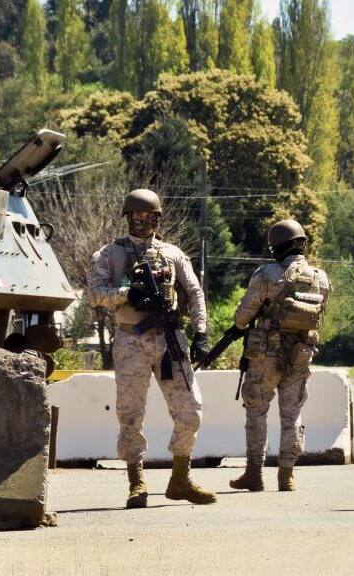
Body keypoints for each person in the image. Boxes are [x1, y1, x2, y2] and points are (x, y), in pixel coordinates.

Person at [87, 188, 216, 508]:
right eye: (137, 216)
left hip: (169, 338)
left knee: (190, 410)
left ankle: (180, 479)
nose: (144, 221)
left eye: (150, 216)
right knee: (130, 415)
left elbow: (195, 292)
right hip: (131, 338)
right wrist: (127, 294)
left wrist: (201, 332)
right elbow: (94, 294)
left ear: (158, 218)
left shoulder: (172, 253)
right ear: (127, 217)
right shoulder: (110, 254)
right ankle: (137, 482)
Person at [227, 219, 331, 492]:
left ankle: (254, 474)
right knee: (292, 414)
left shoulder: (268, 274)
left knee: (257, 411)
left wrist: (244, 322)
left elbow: (242, 316)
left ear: (276, 247)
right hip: (301, 354)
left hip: (267, 354)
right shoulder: (321, 278)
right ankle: (287, 475)